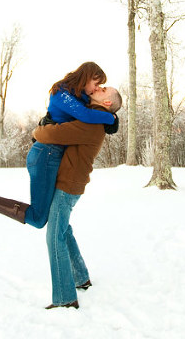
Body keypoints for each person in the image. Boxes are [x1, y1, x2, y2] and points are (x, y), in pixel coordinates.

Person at [0, 62, 117, 228]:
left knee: (46, 217)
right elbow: (85, 114)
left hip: (51, 155)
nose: (96, 89)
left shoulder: (80, 96)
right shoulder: (61, 92)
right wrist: (111, 118)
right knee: (39, 218)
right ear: (87, 77)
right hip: (45, 154)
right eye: (96, 84)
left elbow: (90, 112)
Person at [32, 85, 123, 310]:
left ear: (107, 103)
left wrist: (36, 131)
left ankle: (65, 298)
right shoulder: (96, 118)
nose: (98, 88)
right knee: (63, 230)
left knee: (54, 238)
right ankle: (80, 277)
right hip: (70, 183)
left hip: (67, 186)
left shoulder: (91, 124)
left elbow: (52, 134)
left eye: (103, 89)